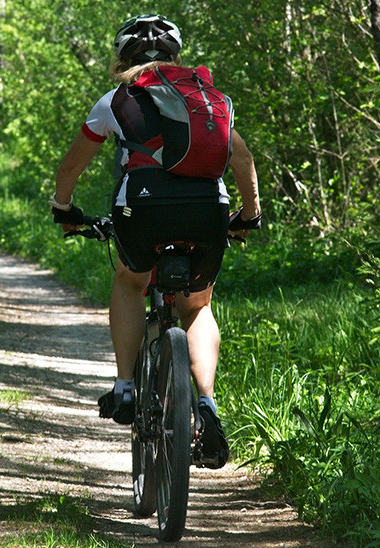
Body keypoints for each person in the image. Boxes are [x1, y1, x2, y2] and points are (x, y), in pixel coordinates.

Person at [50, 14, 261, 469]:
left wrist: (64, 211)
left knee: (130, 281)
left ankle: (125, 387)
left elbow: (70, 168)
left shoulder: (115, 100)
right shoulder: (207, 98)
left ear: (122, 58)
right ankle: (206, 404)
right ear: (175, 56)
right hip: (208, 210)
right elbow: (241, 157)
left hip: (142, 211)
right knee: (197, 307)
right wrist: (248, 216)